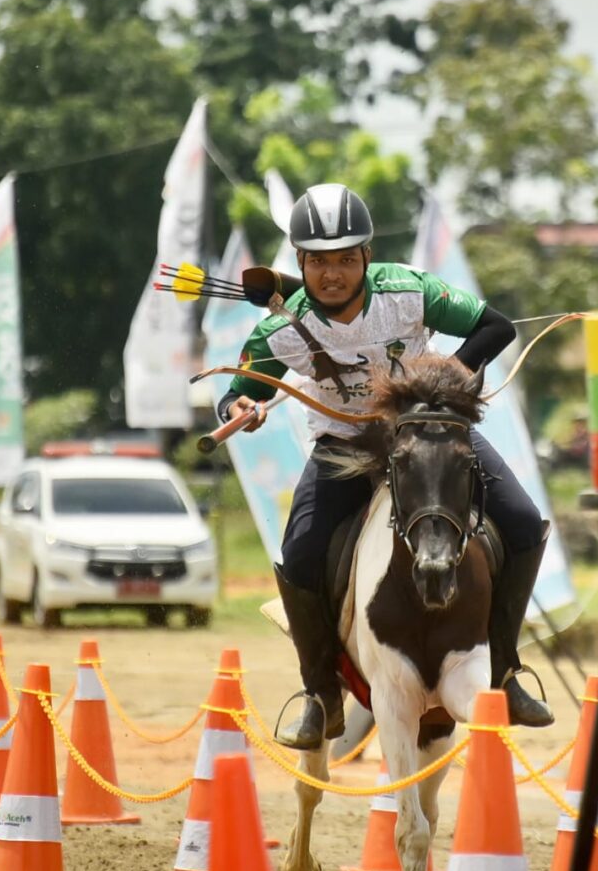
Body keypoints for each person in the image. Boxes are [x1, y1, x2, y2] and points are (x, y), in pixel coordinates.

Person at [218, 183, 553, 750]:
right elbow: (235, 394)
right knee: (299, 554)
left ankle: (505, 671)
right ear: (300, 261)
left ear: (367, 256)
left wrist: (439, 383)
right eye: (318, 262)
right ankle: (320, 695)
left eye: (346, 259)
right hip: (343, 449)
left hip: (427, 436)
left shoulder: (410, 291)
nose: (332, 274)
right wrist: (241, 410)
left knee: (522, 522)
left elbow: (496, 328)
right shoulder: (282, 328)